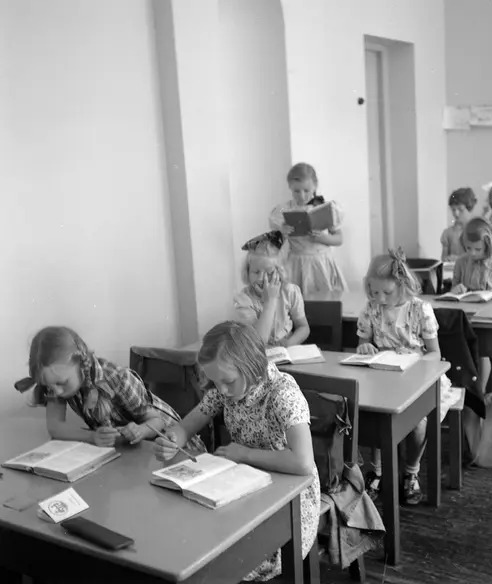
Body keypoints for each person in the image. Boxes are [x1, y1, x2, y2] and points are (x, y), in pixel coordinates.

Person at [153, 321, 320, 582]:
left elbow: (303, 463)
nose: (221, 390)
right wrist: (173, 438)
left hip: (290, 504)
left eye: (228, 381)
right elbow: (187, 426)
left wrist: (243, 454)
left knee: (218, 559)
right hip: (244, 489)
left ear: (252, 366)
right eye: (215, 381)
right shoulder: (226, 389)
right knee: (191, 542)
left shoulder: (283, 393)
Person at [355, 249, 451, 505]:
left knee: (419, 423)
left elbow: (435, 353)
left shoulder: (420, 310)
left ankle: (411, 471)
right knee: (374, 414)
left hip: (418, 380)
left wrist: (414, 359)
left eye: (387, 293)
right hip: (382, 379)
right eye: (374, 292)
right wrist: (365, 347)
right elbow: (363, 344)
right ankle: (378, 471)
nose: (380, 298)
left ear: (402, 285)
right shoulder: (371, 310)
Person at [14, 326, 194, 448]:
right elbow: (55, 427)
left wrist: (140, 430)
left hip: (172, 442)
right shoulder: (56, 381)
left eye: (61, 383)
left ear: (80, 365)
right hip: (132, 451)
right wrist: (92, 437)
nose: (57, 391)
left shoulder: (117, 378)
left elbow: (157, 421)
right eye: (49, 386)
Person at [451, 218, 492, 392]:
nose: (472, 253)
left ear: (489, 245)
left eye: (477, 249)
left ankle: (479, 391)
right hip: (464, 317)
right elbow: (452, 292)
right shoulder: (461, 263)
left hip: (489, 318)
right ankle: (458, 390)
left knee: (481, 349)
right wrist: (456, 290)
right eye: (468, 248)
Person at [269, 162, 346, 295]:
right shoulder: (283, 209)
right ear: (290, 187)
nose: (302, 196)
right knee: (297, 300)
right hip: (296, 263)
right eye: (296, 191)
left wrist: (323, 238)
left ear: (315, 186)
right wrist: (282, 231)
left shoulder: (325, 208)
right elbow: (275, 243)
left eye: (306, 190)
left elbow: (339, 239)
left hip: (321, 263)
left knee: (325, 299)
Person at [234, 230, 310, 347]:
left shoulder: (291, 292)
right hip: (258, 352)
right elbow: (258, 341)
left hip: (287, 350)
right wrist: (270, 301)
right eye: (256, 272)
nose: (261, 279)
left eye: (269, 273)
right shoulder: (243, 300)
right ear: (247, 272)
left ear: (280, 272)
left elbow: (303, 327)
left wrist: (288, 344)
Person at [441, 187, 478, 261]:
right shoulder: (448, 233)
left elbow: (479, 256)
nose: (456, 213)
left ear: (470, 208)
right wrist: (447, 259)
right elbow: (443, 259)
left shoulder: (478, 231)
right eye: (453, 210)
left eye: (460, 209)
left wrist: (459, 259)